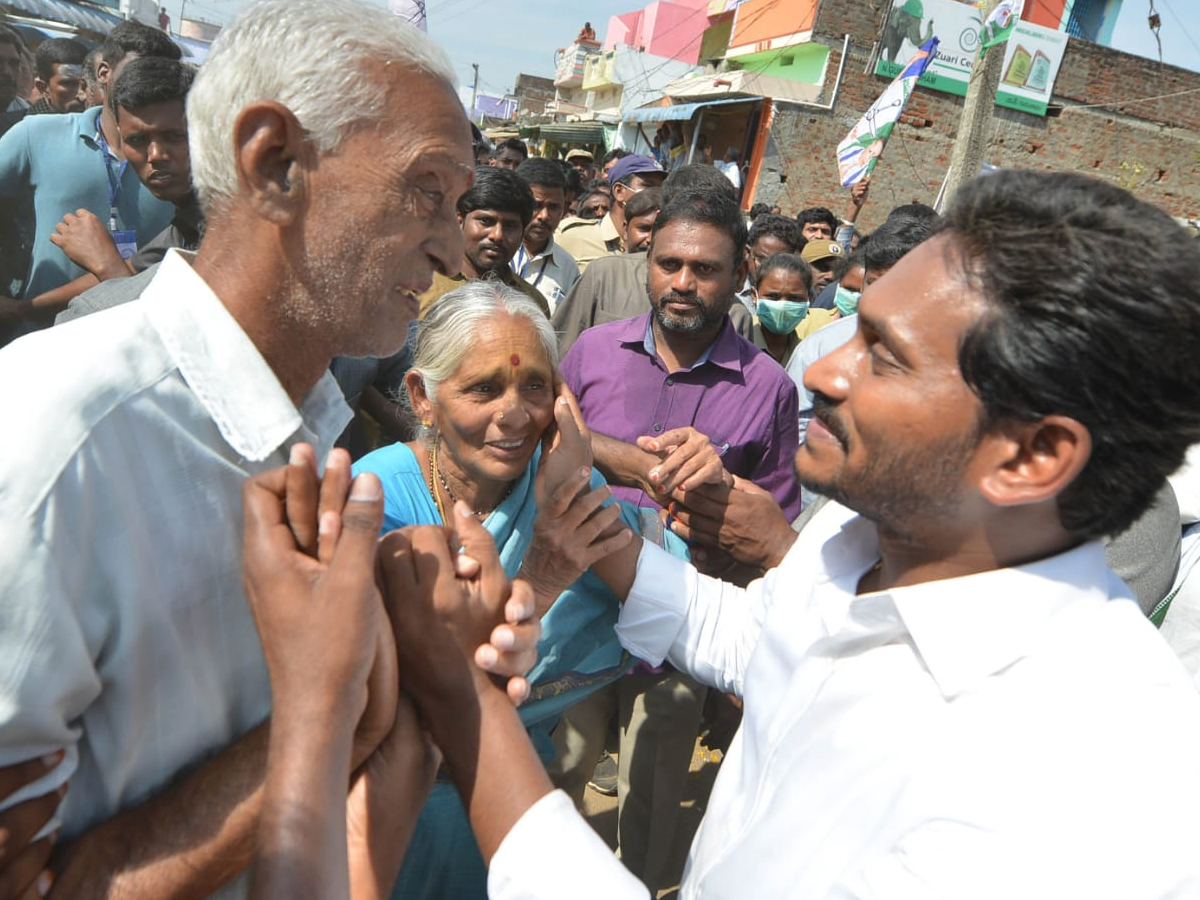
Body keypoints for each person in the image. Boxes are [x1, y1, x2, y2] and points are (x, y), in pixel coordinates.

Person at [399, 168, 1200, 900]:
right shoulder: (860, 538)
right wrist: (579, 497)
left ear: (1032, 455)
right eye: (855, 327)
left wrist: (463, 703)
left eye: (883, 358)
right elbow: (748, 632)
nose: (819, 373)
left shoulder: (1086, 786)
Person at [0, 2, 535, 898]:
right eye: (427, 191)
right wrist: (347, 704)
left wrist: (418, 691)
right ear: (274, 162)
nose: (451, 246)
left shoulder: (316, 435)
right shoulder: (53, 442)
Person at [353, 282, 684, 899]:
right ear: (423, 398)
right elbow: (414, 698)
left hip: (516, 802)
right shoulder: (374, 500)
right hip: (396, 810)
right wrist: (545, 574)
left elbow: (678, 591)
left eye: (534, 386)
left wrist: (578, 484)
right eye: (484, 388)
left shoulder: (558, 487)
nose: (514, 414)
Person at [551, 188, 802, 894]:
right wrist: (631, 460)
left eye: (705, 269)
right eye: (669, 264)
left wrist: (716, 497)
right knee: (558, 774)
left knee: (655, 800)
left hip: (688, 628)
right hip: (578, 607)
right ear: (647, 262)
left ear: (741, 274)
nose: (683, 283)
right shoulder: (595, 352)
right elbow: (548, 442)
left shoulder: (769, 389)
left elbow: (768, 531)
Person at [0, 20, 180, 336]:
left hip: (133, 342)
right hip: (40, 337)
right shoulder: (37, 135)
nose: (150, 86)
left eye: (161, 75)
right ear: (103, 74)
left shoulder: (185, 163)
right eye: (138, 72)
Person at [34, 56, 199, 313]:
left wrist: (105, 262)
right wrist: (23, 310)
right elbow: (133, 271)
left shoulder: (224, 219)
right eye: (137, 139)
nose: (155, 154)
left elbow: (150, 326)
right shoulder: (186, 222)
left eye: (173, 136)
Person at [418, 164, 550, 318]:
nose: (497, 235)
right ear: (459, 220)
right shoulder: (418, 288)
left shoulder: (533, 304)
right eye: (486, 221)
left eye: (510, 225)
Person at [558, 153, 664, 272]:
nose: (657, 194)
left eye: (661, 188)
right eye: (648, 186)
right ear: (619, 191)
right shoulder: (573, 235)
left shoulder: (661, 244)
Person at [511, 157, 580, 314]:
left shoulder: (568, 267)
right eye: (536, 205)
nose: (544, 216)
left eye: (554, 207)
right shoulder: (495, 250)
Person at [749, 252, 812, 368]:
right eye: (773, 296)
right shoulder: (738, 346)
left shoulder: (810, 355)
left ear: (809, 299)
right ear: (754, 296)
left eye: (794, 298)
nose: (783, 306)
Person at [25, 38, 87, 115]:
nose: (82, 95)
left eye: (86, 85)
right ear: (43, 88)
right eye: (69, 84)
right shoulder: (18, 125)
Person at [621, 185, 660, 254]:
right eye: (644, 229)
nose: (650, 239)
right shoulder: (607, 264)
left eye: (659, 231)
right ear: (625, 231)